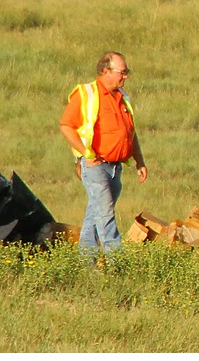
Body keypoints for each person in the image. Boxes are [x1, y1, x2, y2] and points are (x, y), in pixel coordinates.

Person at [59, 51, 148, 255]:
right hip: (95, 166)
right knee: (105, 215)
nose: (125, 77)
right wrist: (86, 154)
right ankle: (118, 263)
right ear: (105, 71)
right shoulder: (87, 94)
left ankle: (86, 264)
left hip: (115, 168)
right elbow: (66, 126)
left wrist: (139, 161)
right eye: (122, 72)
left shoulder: (123, 97)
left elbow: (130, 133)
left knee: (94, 217)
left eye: (127, 72)